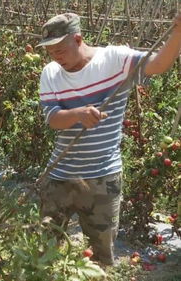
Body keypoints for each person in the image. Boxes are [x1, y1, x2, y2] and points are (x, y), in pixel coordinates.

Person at [37, 12, 181, 265]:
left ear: (78, 39)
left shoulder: (114, 59)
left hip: (103, 177)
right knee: (44, 248)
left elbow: (157, 65)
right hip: (60, 175)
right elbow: (53, 119)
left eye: (60, 50)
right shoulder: (50, 73)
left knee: (102, 255)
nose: (56, 57)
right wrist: (78, 114)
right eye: (50, 52)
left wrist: (177, 33)